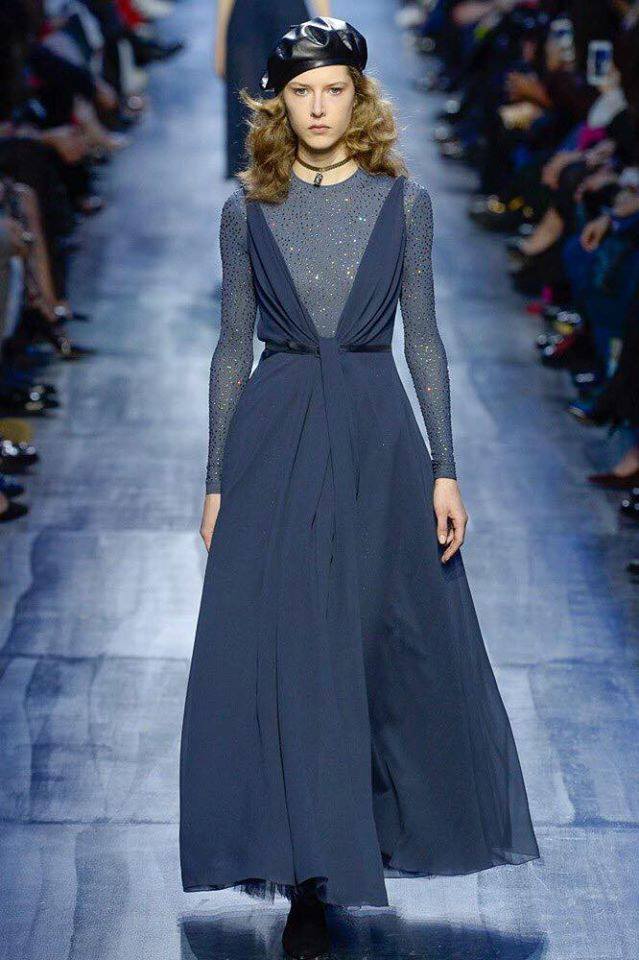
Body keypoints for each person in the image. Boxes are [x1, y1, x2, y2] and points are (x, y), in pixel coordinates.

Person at [180, 17, 541, 960]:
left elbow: (424, 338)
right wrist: (215, 478)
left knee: (376, 641)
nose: (317, 108)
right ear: (278, 103)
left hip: (378, 435)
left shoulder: (402, 203)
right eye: (301, 92)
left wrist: (444, 465)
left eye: (333, 90)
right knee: (288, 647)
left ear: (359, 97)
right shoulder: (246, 208)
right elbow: (230, 347)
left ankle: (355, 846)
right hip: (275, 432)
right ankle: (307, 874)